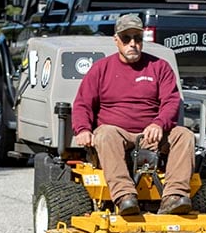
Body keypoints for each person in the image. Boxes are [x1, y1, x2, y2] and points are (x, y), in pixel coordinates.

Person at [72, 14, 195, 216]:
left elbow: (171, 102)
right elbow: (82, 103)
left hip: (152, 135)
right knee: (105, 133)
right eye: (126, 38)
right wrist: (83, 129)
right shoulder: (101, 69)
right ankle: (124, 197)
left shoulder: (160, 67)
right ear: (116, 40)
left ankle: (174, 197)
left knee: (185, 135)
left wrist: (159, 123)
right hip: (116, 134)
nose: (133, 44)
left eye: (137, 38)